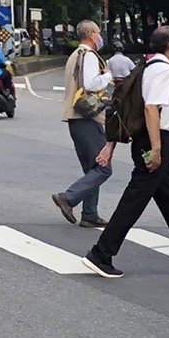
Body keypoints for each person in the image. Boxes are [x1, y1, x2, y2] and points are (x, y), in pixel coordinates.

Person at [83, 28, 169, 280]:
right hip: (155, 139)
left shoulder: (149, 66)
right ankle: (101, 254)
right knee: (134, 200)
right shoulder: (162, 69)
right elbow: (151, 108)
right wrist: (157, 149)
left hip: (152, 139)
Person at [53, 21, 114, 230]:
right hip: (88, 118)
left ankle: (90, 214)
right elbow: (90, 84)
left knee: (92, 168)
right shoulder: (89, 55)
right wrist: (107, 76)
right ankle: (68, 198)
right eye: (98, 32)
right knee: (103, 168)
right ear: (90, 34)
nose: (100, 36)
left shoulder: (74, 55)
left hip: (75, 118)